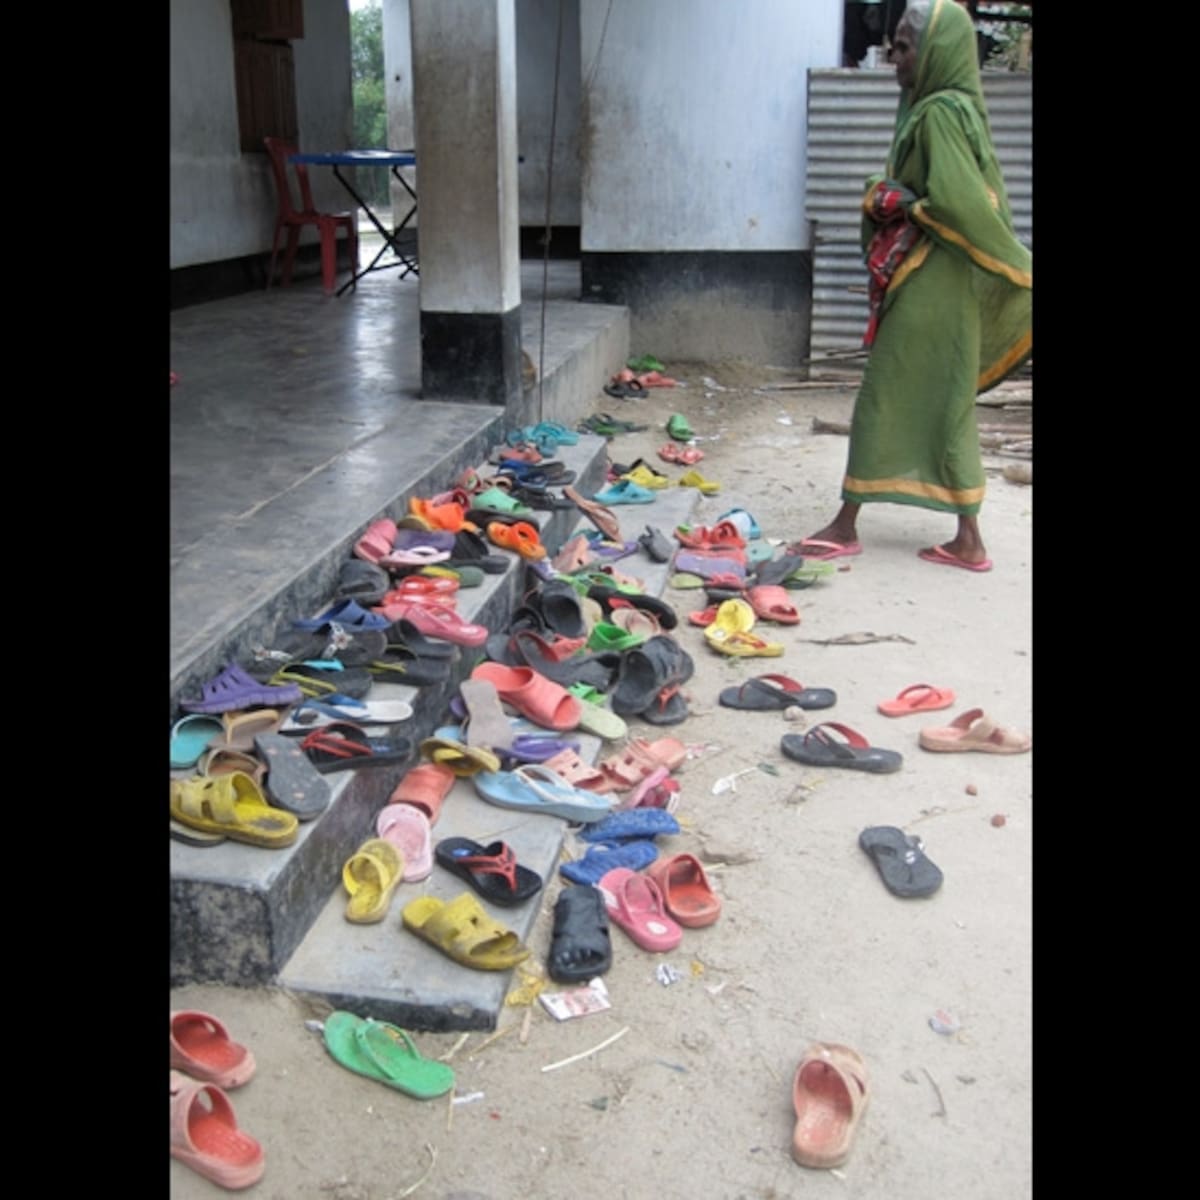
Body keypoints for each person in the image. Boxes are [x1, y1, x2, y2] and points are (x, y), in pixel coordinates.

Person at [798, 0, 1031, 572]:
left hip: (930, 279)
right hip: (947, 282)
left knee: (881, 391)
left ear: (936, 53)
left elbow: (957, 202)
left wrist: (895, 199)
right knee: (948, 402)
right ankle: (968, 540)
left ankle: (846, 522)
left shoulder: (938, 114)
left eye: (905, 47)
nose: (894, 56)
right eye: (896, 45)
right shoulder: (953, 108)